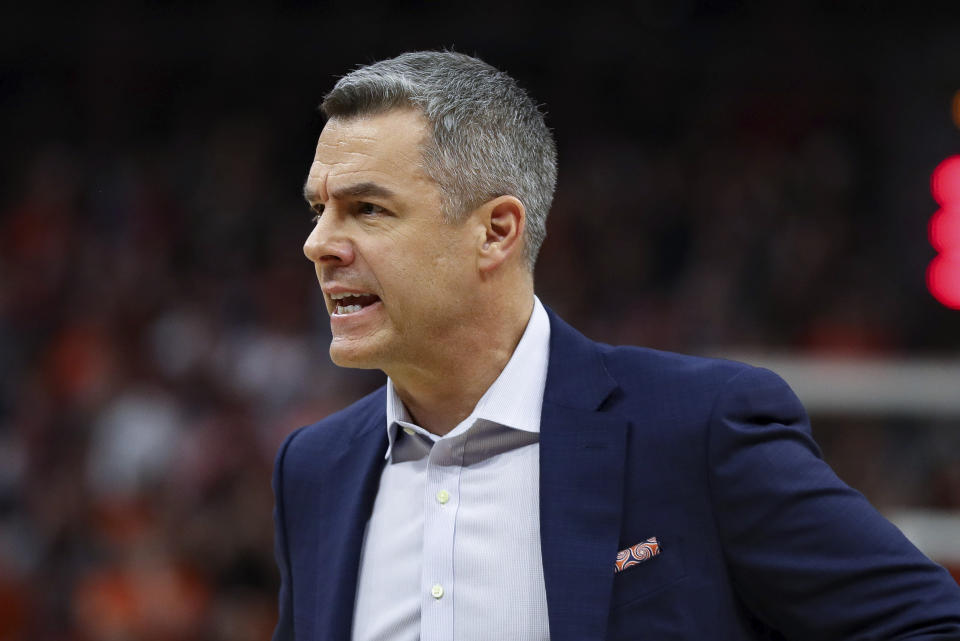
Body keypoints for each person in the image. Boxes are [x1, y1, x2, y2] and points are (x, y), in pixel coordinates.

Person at [271, 51, 960, 641]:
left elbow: (929, 623)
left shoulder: (698, 428)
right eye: (318, 208)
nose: (318, 243)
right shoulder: (313, 469)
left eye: (367, 209)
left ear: (497, 231)